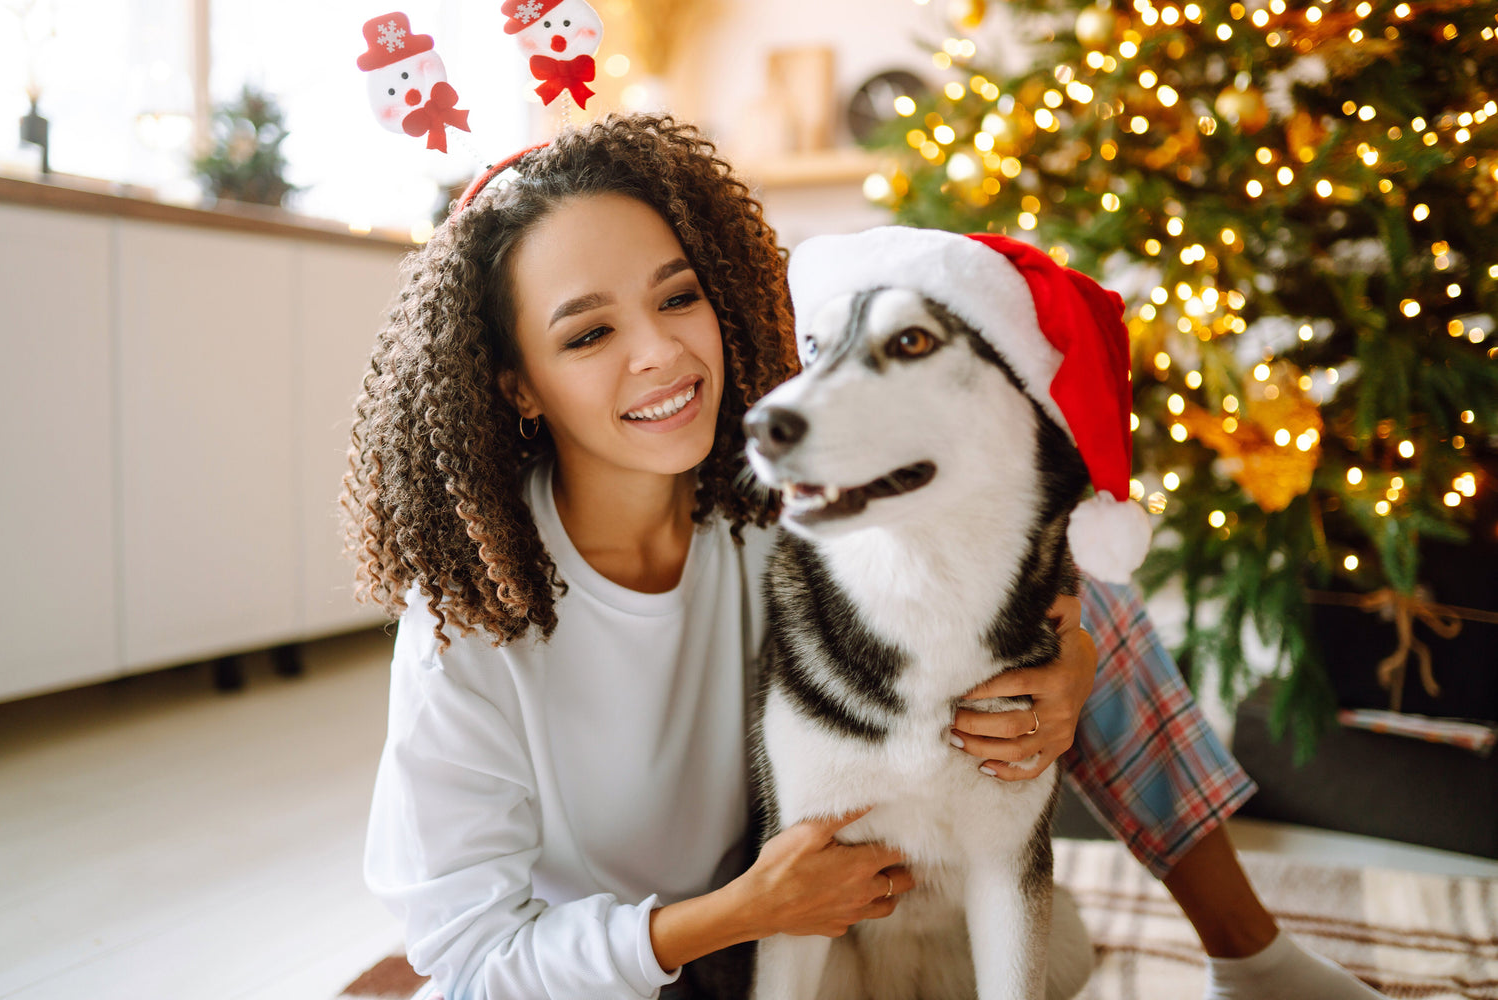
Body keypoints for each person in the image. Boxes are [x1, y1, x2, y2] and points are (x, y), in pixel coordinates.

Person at [343, 112, 1383, 1000]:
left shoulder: (768, 504)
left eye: (676, 296)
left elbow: (1013, 554)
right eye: (586, 335)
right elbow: (471, 963)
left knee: (1028, 561)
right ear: (517, 383)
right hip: (634, 960)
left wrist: (1068, 660)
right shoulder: (467, 619)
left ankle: (1249, 955)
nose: (659, 352)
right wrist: (730, 915)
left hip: (794, 913)